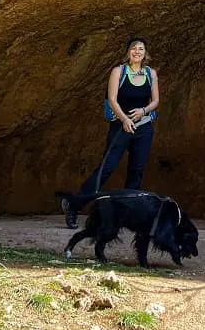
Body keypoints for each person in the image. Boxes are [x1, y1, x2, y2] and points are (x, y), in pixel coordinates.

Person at [62, 37, 160, 228]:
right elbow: (112, 99)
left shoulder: (151, 74)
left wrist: (143, 111)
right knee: (106, 168)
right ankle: (74, 205)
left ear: (145, 53)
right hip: (120, 127)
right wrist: (124, 119)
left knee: (136, 170)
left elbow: (155, 101)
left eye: (141, 49)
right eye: (134, 48)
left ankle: (126, 214)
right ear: (127, 52)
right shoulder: (118, 72)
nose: (137, 52)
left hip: (144, 127)